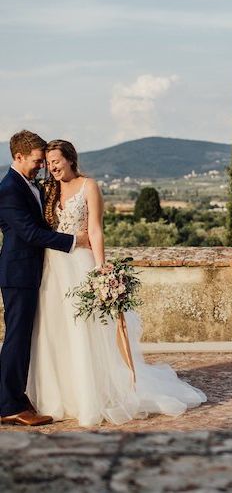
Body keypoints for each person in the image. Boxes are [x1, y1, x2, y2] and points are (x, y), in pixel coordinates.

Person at [26, 139, 206, 427]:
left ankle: (90, 395)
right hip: (52, 268)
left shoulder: (89, 186)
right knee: (53, 331)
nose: (52, 167)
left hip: (80, 266)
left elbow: (96, 230)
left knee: (83, 331)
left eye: (56, 161)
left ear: (71, 159)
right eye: (48, 163)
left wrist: (101, 269)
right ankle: (58, 395)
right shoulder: (48, 189)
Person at [0, 130, 90, 426]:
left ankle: (17, 395)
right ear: (18, 157)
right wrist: (74, 241)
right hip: (18, 273)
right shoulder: (9, 189)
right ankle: (9, 406)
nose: (41, 166)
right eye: (37, 161)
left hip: (35, 272)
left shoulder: (30, 185)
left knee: (28, 338)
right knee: (16, 338)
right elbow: (29, 233)